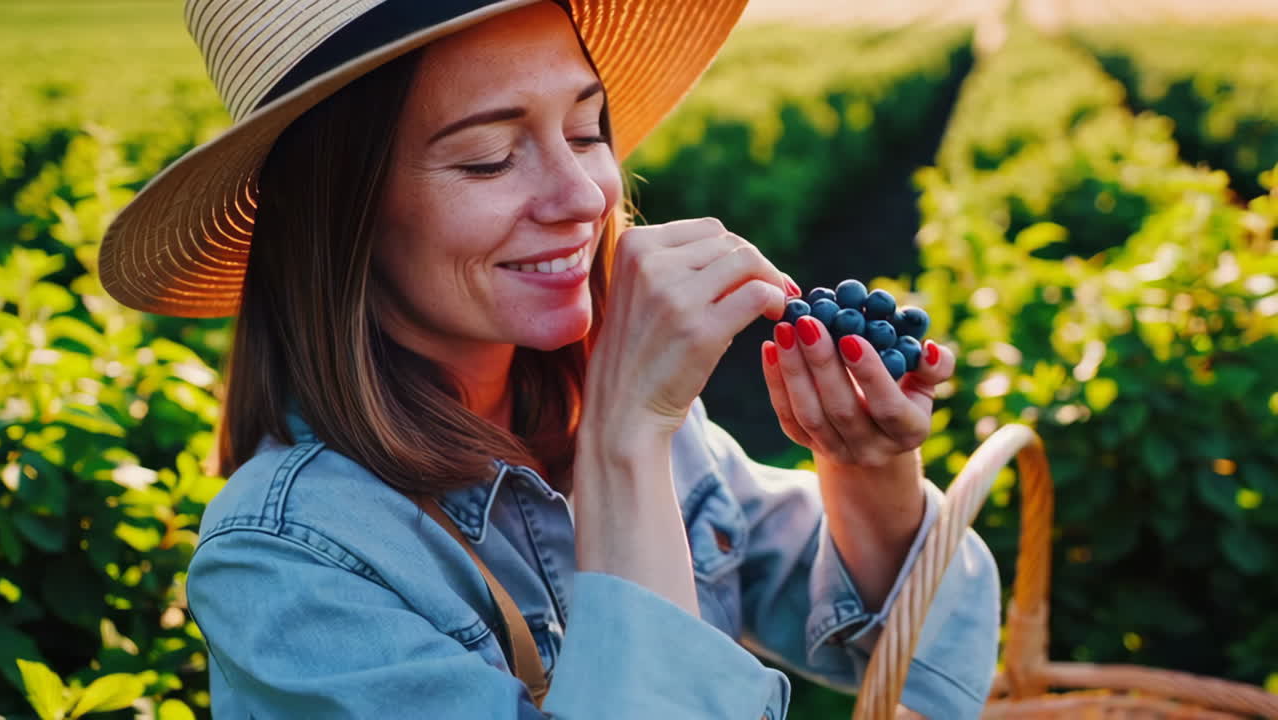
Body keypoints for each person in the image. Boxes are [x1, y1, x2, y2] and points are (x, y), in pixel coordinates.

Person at [98, 0, 1001, 717]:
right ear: (339, 218)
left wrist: (865, 465)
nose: (584, 196)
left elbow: (892, 651)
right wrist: (622, 445)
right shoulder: (290, 567)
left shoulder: (610, 402)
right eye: (488, 159)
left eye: (586, 128)